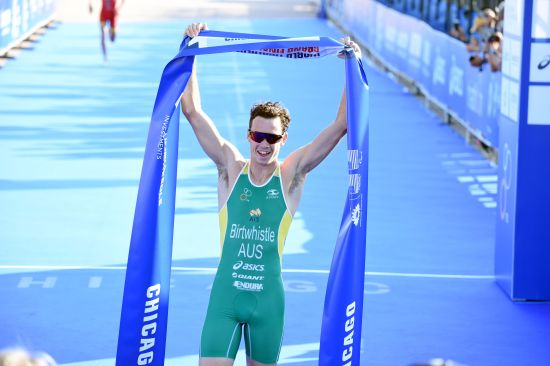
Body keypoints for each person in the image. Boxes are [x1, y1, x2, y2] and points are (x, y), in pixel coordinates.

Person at [181, 23, 360, 366]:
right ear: (248, 136)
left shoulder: (291, 176)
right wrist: (193, 49)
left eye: (272, 138)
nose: (263, 144)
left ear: (283, 140)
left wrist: (350, 66)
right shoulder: (230, 168)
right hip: (226, 299)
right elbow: (192, 112)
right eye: (257, 136)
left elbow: (340, 126)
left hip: (268, 303)